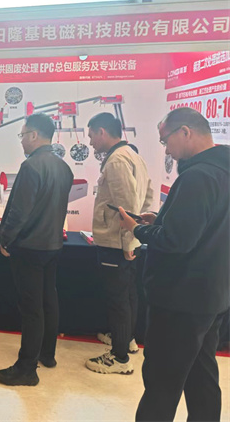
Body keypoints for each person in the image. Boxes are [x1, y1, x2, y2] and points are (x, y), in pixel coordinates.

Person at [118, 107, 229, 421]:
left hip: (180, 299)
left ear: (186, 132)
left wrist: (137, 229)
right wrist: (161, 220)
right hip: (212, 295)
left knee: (161, 383)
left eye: (166, 140)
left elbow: (176, 241)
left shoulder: (197, 176)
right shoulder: (222, 170)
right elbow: (204, 226)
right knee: (201, 377)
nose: (166, 150)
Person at [0, 113, 73, 386]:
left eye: (23, 135)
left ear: (34, 135)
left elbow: (19, 212)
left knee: (31, 308)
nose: (22, 141)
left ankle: (27, 368)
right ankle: (46, 354)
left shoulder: (31, 167)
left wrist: (5, 239)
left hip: (29, 246)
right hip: (52, 244)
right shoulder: (64, 167)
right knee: (49, 300)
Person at [85, 113, 153, 375]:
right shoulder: (133, 155)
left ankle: (119, 357)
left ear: (102, 132)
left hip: (116, 241)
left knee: (118, 299)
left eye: (91, 135)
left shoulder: (116, 160)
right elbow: (146, 198)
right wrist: (136, 237)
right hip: (127, 239)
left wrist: (128, 242)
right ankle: (126, 339)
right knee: (128, 293)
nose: (90, 142)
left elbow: (127, 206)